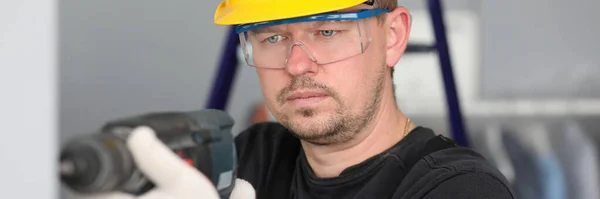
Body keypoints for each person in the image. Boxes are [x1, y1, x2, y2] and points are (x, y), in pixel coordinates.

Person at [70, 0, 515, 198]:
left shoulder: (458, 188)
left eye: (327, 31)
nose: (297, 64)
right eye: (273, 36)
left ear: (393, 36)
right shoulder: (253, 157)